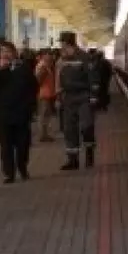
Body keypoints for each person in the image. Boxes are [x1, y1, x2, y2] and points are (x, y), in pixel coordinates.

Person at [0, 42, 37, 183]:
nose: (6, 54)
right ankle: (9, 173)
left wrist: (30, 107)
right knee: (6, 146)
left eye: (8, 51)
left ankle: (22, 166)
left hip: (21, 113)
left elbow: (33, 87)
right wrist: (1, 70)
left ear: (14, 53)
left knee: (22, 145)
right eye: (3, 51)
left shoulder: (23, 68)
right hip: (4, 114)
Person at [55, 31, 99, 170]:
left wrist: (93, 96)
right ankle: (73, 160)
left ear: (68, 43)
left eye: (62, 43)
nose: (61, 46)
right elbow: (59, 79)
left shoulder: (84, 57)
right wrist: (58, 97)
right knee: (69, 129)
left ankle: (89, 154)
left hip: (84, 97)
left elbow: (93, 77)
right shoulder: (62, 60)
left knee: (86, 126)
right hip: (68, 98)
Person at [34, 49, 56, 142]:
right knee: (43, 115)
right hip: (43, 94)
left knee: (46, 115)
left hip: (47, 93)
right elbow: (38, 80)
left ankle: (45, 133)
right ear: (44, 56)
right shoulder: (42, 66)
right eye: (48, 54)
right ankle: (42, 134)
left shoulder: (47, 66)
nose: (50, 56)